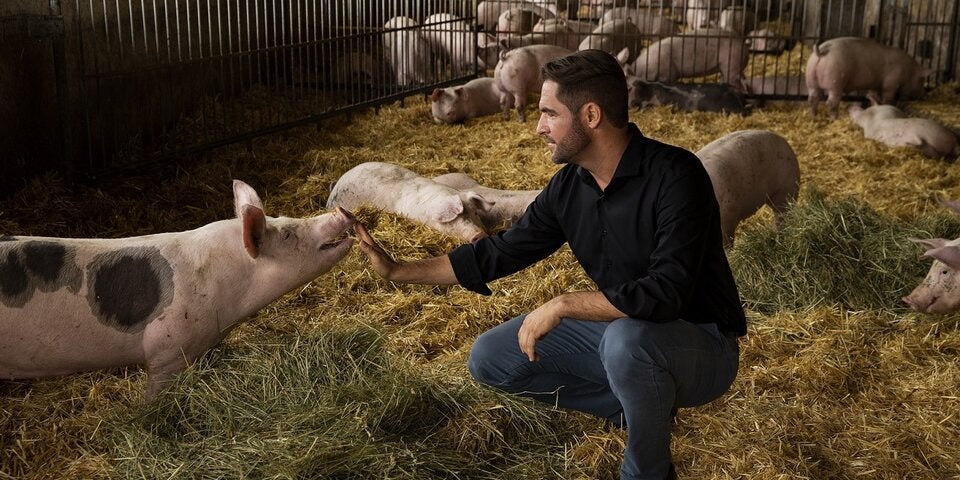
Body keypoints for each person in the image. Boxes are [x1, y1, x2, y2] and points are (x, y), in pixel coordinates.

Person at [352, 49, 745, 480]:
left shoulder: (676, 175)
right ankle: (633, 403)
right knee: (490, 359)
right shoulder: (569, 186)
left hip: (701, 344)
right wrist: (398, 270)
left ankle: (646, 470)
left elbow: (664, 293)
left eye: (549, 113)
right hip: (624, 335)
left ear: (590, 115)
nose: (539, 127)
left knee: (627, 343)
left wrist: (562, 304)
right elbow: (501, 252)